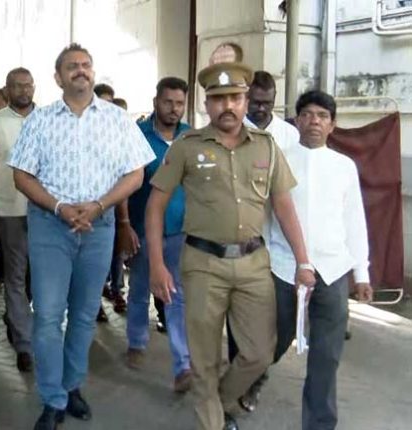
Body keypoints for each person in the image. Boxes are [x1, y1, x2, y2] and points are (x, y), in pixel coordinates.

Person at [145, 62, 315, 430]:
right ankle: (212, 421)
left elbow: (284, 206)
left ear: (245, 101)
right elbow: (155, 205)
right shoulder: (188, 146)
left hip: (253, 264)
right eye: (219, 98)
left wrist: (303, 261)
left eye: (236, 98)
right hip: (202, 263)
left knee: (259, 353)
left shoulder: (267, 147)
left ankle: (217, 402)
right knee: (204, 358)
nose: (228, 106)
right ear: (207, 103)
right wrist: (157, 264)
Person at [8, 43, 155, 430]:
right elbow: (21, 175)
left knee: (85, 315)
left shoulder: (117, 120)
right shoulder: (40, 121)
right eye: (71, 66)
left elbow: (135, 174)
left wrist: (100, 205)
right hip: (50, 226)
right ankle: (52, 398)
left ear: (93, 72)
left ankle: (72, 386)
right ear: (58, 77)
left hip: (99, 227)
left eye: (86, 65)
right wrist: (59, 207)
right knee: (47, 315)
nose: (80, 70)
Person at [256, 90, 373, 430]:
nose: (314, 122)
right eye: (307, 115)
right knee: (271, 343)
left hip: (332, 270)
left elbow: (354, 220)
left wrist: (361, 273)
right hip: (283, 267)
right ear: (297, 121)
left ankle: (320, 423)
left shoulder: (344, 167)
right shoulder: (280, 160)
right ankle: (245, 384)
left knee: (326, 354)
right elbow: (265, 215)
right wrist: (265, 255)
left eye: (322, 116)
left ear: (332, 125)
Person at [227, 69, 302, 410]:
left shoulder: (289, 135)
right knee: (239, 320)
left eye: (267, 103)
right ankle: (238, 381)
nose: (260, 109)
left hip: (280, 244)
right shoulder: (232, 130)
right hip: (242, 241)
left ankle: (257, 372)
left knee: (284, 325)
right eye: (255, 102)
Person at [121, 77, 193, 393]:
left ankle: (183, 365)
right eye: (168, 102)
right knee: (139, 289)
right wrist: (124, 225)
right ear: (155, 102)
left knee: (176, 296)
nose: (174, 109)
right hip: (142, 230)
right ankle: (136, 341)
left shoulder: (191, 138)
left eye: (179, 103)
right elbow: (124, 181)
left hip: (180, 231)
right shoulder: (137, 135)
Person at [0, 67, 36, 372]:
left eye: (28, 85)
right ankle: (24, 344)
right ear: (7, 90)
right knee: (15, 276)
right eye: (17, 86)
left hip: (45, 212)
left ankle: (17, 317)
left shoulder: (48, 120)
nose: (23, 90)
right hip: (8, 211)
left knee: (35, 278)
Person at [93, 82, 124, 321]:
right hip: (85, 212)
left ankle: (115, 291)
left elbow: (127, 176)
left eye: (110, 104)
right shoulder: (80, 132)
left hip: (110, 209)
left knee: (112, 256)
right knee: (92, 263)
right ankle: (94, 303)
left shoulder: (118, 134)